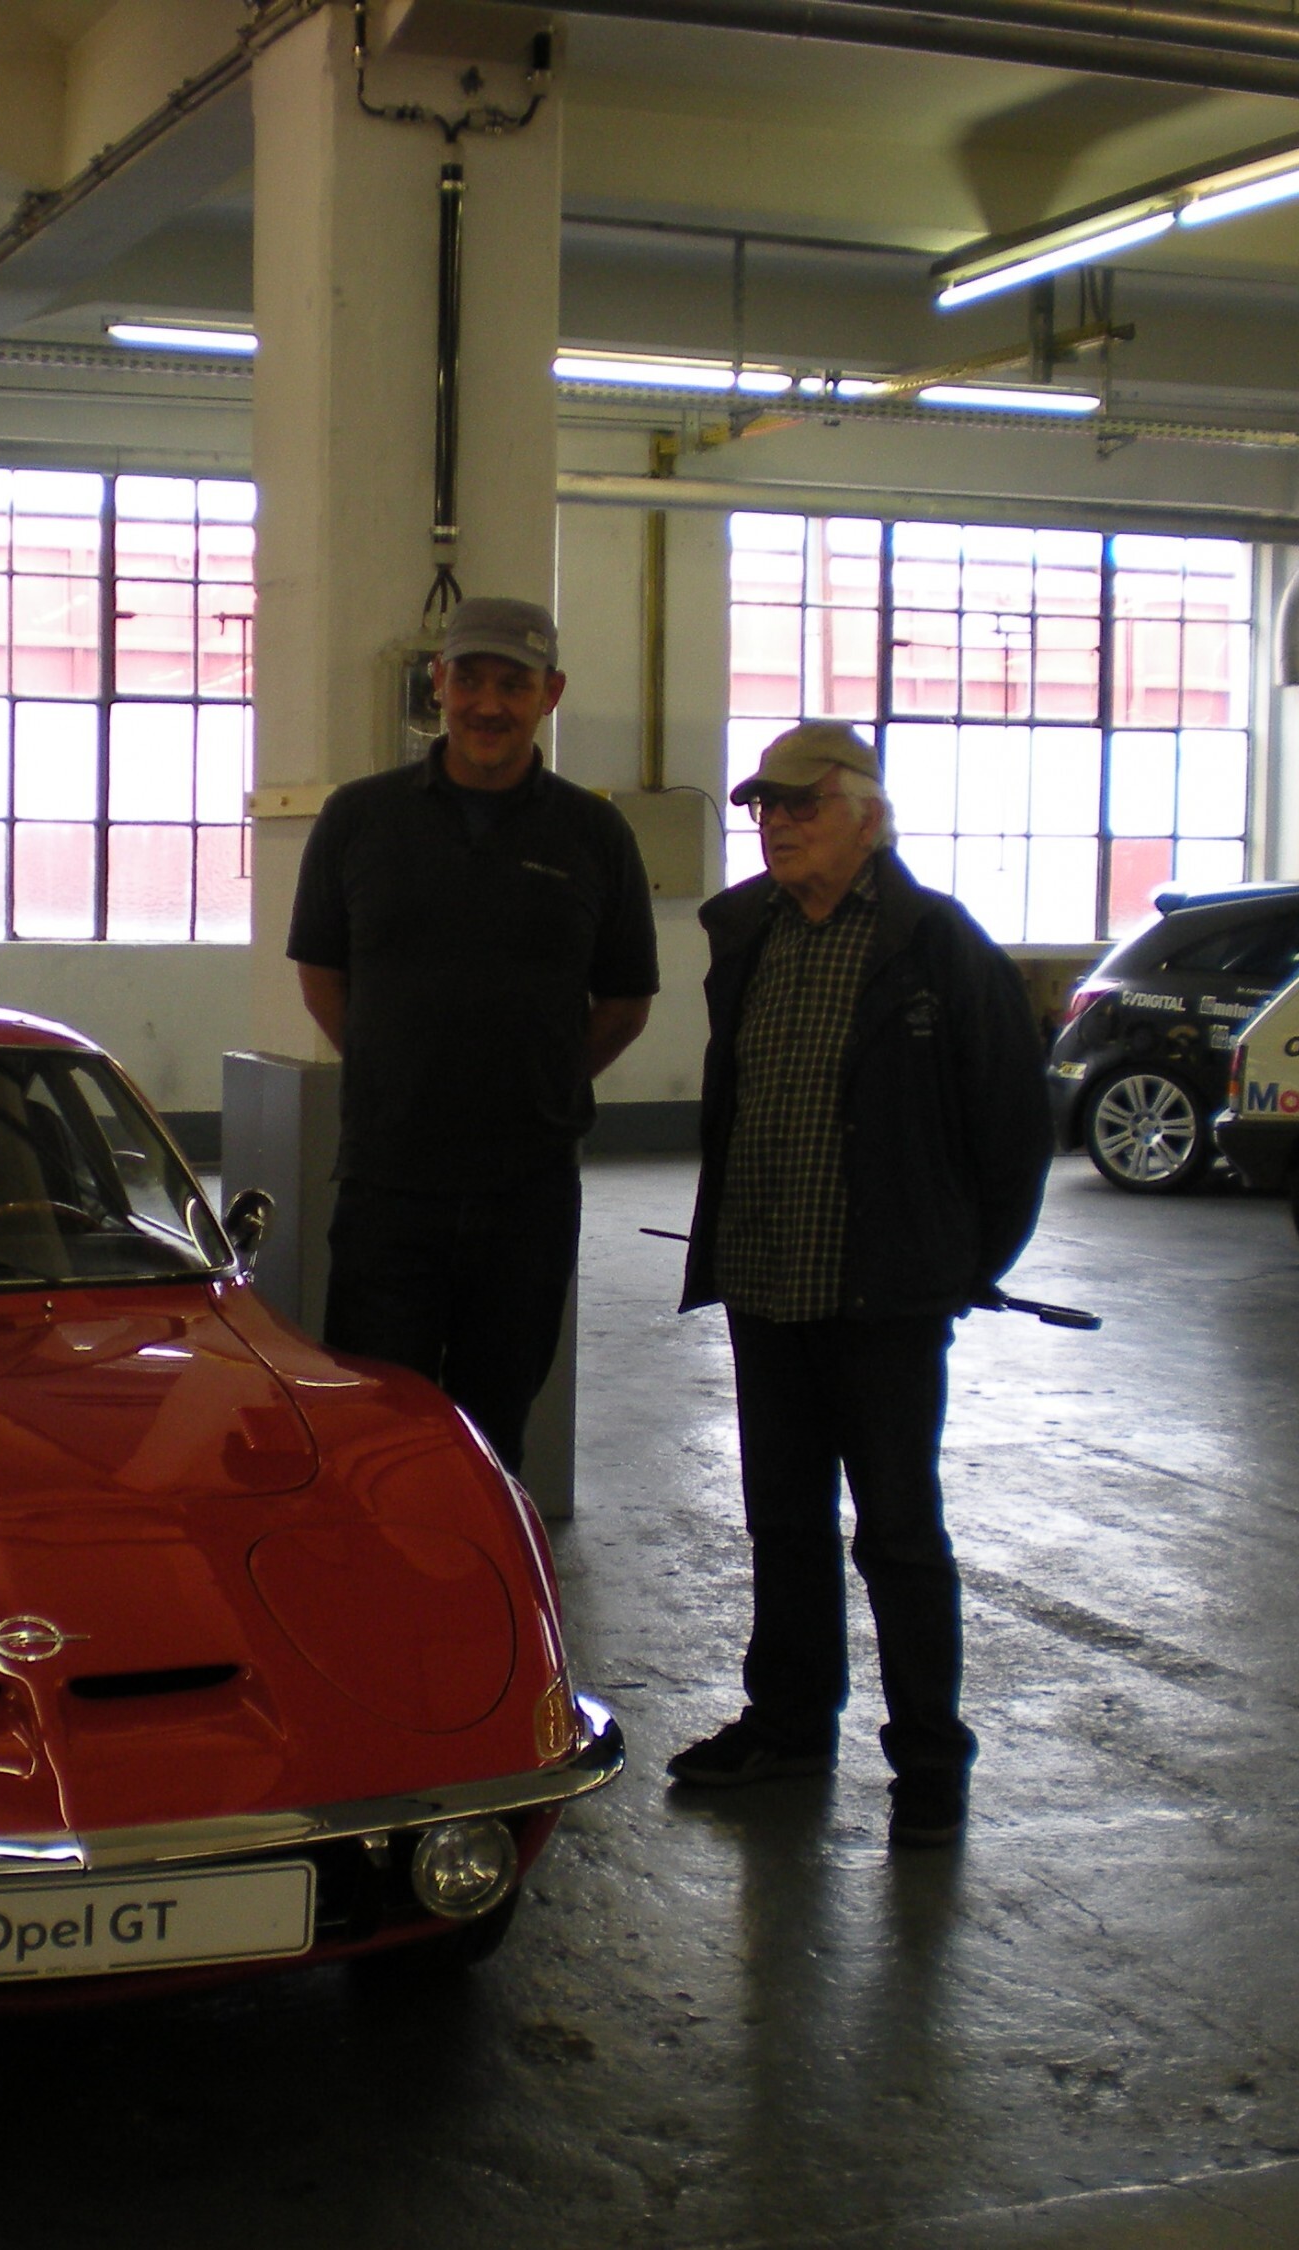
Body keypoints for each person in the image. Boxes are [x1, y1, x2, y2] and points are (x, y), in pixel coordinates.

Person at [663, 721, 1049, 1848]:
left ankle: (929, 1756)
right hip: (765, 1281)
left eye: (801, 805)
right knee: (783, 1521)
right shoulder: (748, 932)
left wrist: (959, 1267)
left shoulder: (939, 946)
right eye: (764, 808)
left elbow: (1013, 1130)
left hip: (887, 1297)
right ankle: (790, 1724)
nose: (776, 825)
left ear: (869, 816)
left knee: (898, 1533)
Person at [286, 596, 658, 1474]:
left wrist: (543, 1082)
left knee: (496, 1428)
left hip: (526, 1192)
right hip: (388, 1188)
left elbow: (626, 999)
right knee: (379, 1424)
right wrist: (395, 1069)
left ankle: (482, 1563)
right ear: (439, 683)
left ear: (550, 694)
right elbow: (321, 974)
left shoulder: (594, 834)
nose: (489, 705)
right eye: (471, 680)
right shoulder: (359, 819)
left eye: (514, 685)